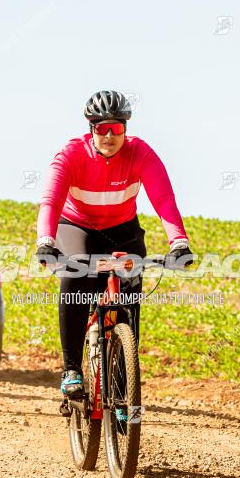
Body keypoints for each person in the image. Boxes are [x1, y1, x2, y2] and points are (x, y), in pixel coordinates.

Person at [35, 90, 193, 415]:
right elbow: (50, 201)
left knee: (130, 301)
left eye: (116, 129)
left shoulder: (141, 154)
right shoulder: (70, 155)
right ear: (91, 128)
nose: (109, 136)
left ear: (125, 128)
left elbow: (164, 200)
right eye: (102, 129)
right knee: (75, 273)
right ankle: (71, 372)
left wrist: (178, 242)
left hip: (122, 230)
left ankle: (123, 384)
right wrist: (45, 241)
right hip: (77, 226)